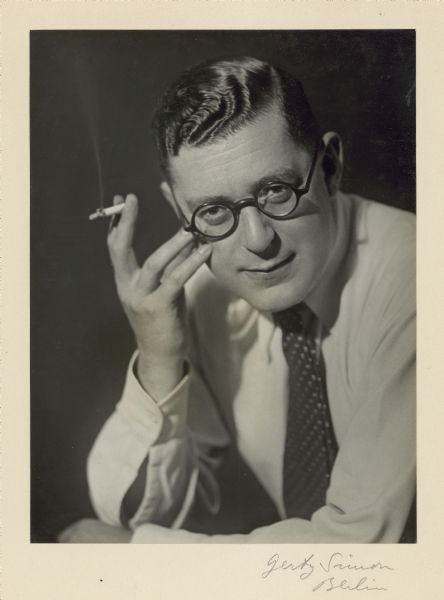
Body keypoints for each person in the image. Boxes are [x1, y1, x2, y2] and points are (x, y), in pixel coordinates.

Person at [59, 56, 416, 544]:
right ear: (178, 208)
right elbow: (136, 511)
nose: (256, 240)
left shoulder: (416, 278)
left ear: (330, 168)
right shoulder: (209, 294)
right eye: (213, 211)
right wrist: (160, 357)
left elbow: (360, 554)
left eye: (275, 191)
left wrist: (137, 558)